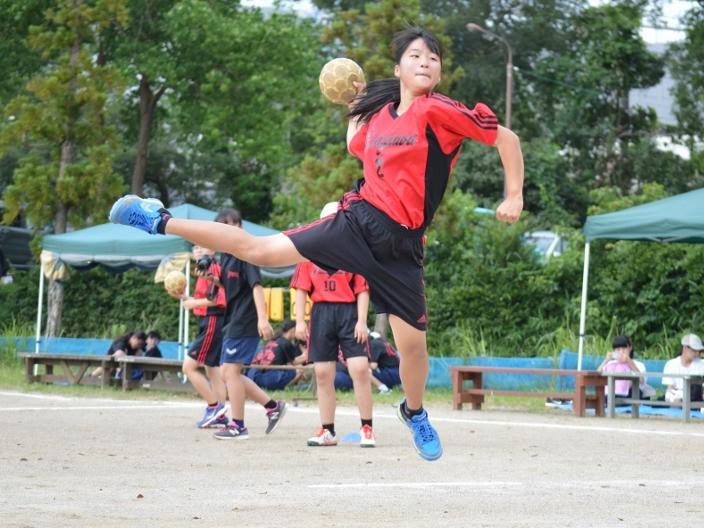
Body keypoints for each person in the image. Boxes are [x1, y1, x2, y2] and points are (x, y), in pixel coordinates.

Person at [108, 26, 524, 461]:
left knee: (414, 348)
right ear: (398, 68)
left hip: (402, 246)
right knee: (260, 250)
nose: (425, 62)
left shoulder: (439, 110)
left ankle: (414, 412)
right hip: (357, 221)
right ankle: (158, 220)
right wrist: (356, 105)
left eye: (433, 58)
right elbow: (355, 144)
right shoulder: (379, 120)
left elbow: (506, 139)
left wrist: (513, 195)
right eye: (415, 56)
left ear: (438, 72)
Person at [291, 215, 374, 448]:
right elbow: (300, 289)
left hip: (349, 313)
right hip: (321, 313)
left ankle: (367, 428)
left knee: (360, 369)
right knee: (322, 373)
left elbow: (363, 289)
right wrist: (299, 322)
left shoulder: (354, 251)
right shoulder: (309, 252)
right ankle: (327, 430)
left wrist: (362, 321)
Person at [211, 209, 286, 440]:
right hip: (233, 319)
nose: (224, 231)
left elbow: (256, 286)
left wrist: (263, 319)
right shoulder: (225, 255)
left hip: (247, 319)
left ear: (239, 227)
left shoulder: (246, 253)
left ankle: (238, 426)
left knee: (230, 371)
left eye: (229, 226)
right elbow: (231, 287)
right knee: (228, 373)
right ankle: (272, 407)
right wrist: (213, 280)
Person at [173, 245, 229, 429]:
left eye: (202, 246)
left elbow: (219, 299)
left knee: (188, 367)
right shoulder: (204, 268)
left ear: (213, 250)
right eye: (195, 247)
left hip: (213, 320)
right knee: (212, 369)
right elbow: (207, 298)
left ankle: (214, 407)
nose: (197, 250)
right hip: (211, 320)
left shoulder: (213, 268)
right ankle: (220, 416)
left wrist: (193, 303)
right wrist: (185, 298)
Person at [246, 320, 307, 391]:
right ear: (292, 330)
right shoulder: (286, 343)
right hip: (264, 378)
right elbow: (294, 362)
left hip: (251, 376)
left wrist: (303, 356)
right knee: (298, 370)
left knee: (290, 368)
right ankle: (286, 388)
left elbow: (289, 362)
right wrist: (306, 355)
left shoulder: (274, 341)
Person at [662, 333, 704, 403]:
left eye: (698, 351)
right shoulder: (671, 364)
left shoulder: (702, 366)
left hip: (695, 399)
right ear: (685, 348)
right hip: (676, 397)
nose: (697, 353)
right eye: (694, 350)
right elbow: (670, 388)